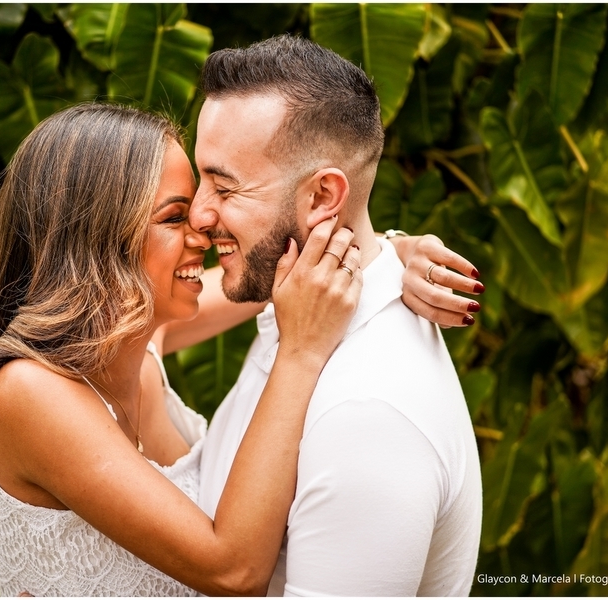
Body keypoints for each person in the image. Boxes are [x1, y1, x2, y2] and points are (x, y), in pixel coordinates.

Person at [0, 102, 473, 596]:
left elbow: (274, 268)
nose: (204, 229)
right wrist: (300, 353)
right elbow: (231, 570)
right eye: (174, 216)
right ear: (96, 237)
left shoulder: (137, 346)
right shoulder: (30, 394)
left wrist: (391, 250)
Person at [192, 35, 483, 596]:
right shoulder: (301, 308)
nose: (200, 215)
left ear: (324, 197)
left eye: (225, 187)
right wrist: (385, 248)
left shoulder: (367, 414)